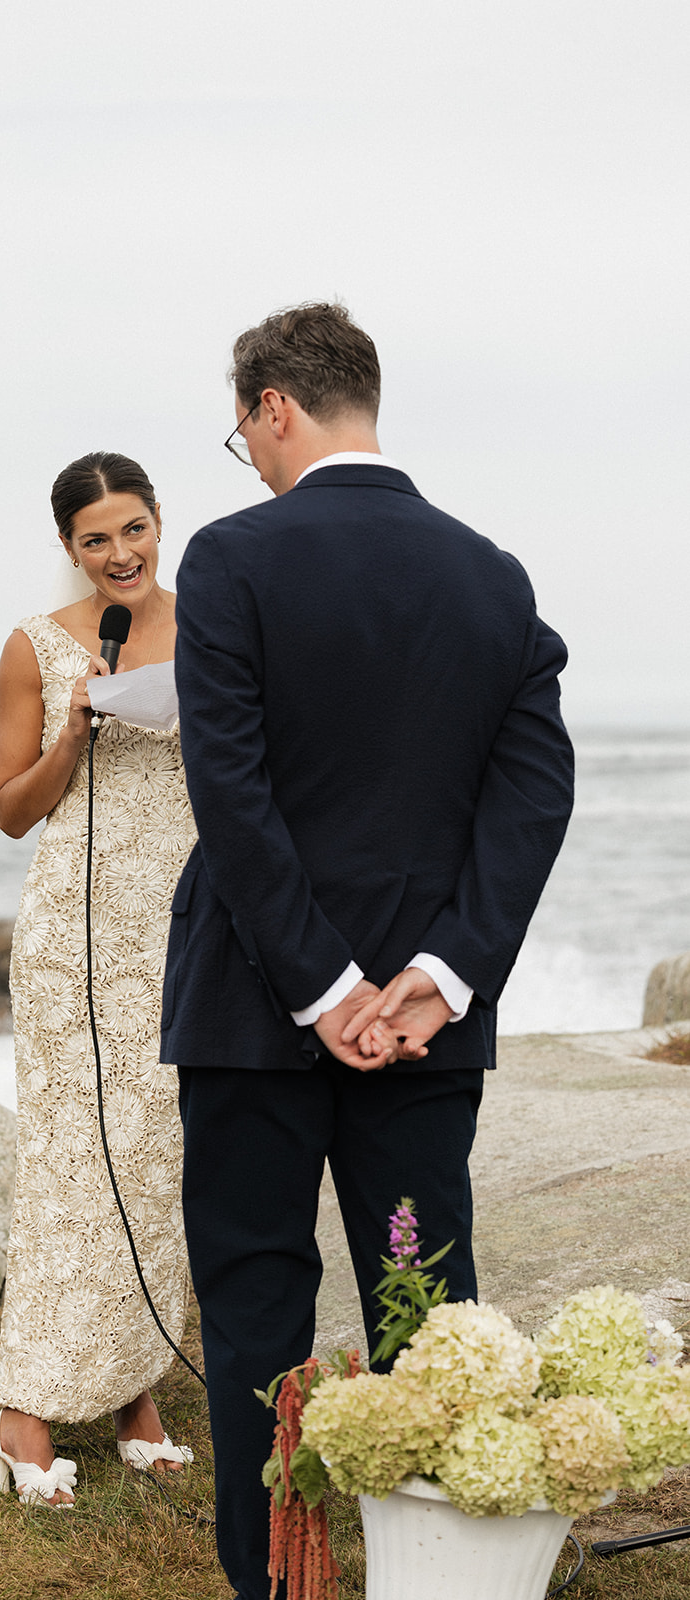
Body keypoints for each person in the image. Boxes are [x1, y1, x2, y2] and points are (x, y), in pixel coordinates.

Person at [161, 302, 575, 1598]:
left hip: (251, 1011)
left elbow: (230, 793)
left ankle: (275, 1579)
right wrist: (437, 976)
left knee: (252, 1304)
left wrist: (319, 986)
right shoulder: (488, 574)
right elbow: (530, 795)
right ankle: (431, 1571)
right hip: (420, 1026)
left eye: (244, 431)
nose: (249, 452)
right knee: (416, 1306)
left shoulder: (230, 563)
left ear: (273, 406)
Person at [0, 452, 196, 1508]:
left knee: (158, 1159)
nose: (120, 553)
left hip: (188, 928)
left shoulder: (216, 628)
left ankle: (132, 1395)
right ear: (69, 546)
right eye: (95, 538)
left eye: (133, 528)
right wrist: (72, 735)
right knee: (71, 1157)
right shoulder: (36, 646)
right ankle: (20, 1410)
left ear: (161, 523)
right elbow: (12, 808)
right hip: (75, 932)